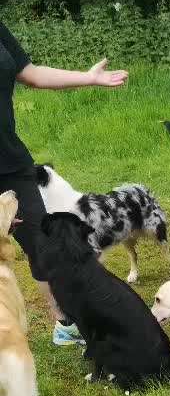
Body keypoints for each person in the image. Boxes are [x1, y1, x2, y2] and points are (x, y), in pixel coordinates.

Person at [0, 21, 127, 345]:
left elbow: (31, 73)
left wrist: (88, 77)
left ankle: (66, 322)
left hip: (10, 161)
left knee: (44, 244)